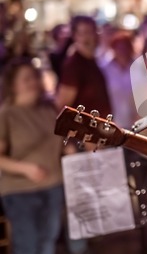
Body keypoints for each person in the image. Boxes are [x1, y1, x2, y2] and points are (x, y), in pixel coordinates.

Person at [0, 58, 67, 254]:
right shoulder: (7, 115)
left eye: (35, 77)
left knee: (48, 242)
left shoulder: (48, 108)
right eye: (26, 79)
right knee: (27, 245)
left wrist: (69, 148)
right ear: (13, 85)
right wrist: (27, 169)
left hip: (53, 185)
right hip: (21, 191)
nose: (33, 83)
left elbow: (59, 141)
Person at [56, 15, 111, 116]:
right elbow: (62, 106)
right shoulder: (73, 66)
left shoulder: (92, 61)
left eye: (93, 31)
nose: (92, 36)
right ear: (75, 36)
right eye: (86, 33)